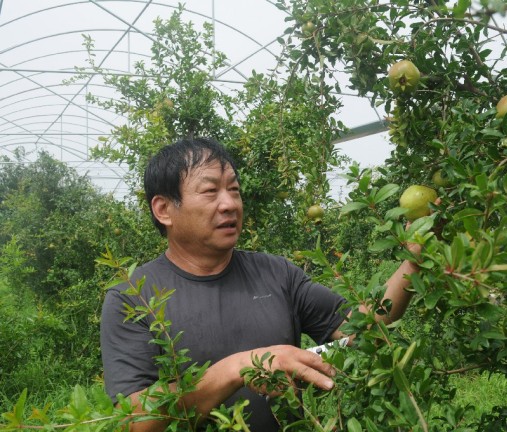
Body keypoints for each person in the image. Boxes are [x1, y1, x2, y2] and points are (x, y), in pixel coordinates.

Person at [100, 137, 421, 432]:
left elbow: (364, 327)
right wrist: (241, 367)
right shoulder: (132, 297)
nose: (229, 204)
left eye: (234, 190)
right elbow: (135, 419)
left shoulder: (277, 273)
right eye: (210, 191)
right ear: (164, 209)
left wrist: (414, 261)